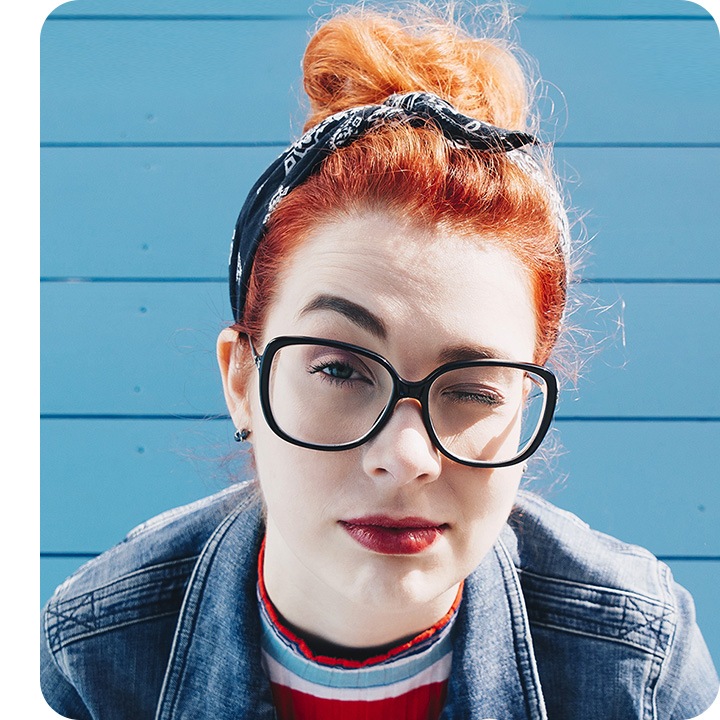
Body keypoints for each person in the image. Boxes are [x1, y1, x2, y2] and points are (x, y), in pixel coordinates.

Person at [40, 4, 718, 719]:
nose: (405, 456)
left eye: (474, 391)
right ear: (243, 379)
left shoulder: (638, 664)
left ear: (522, 406)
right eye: (339, 369)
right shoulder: (91, 658)